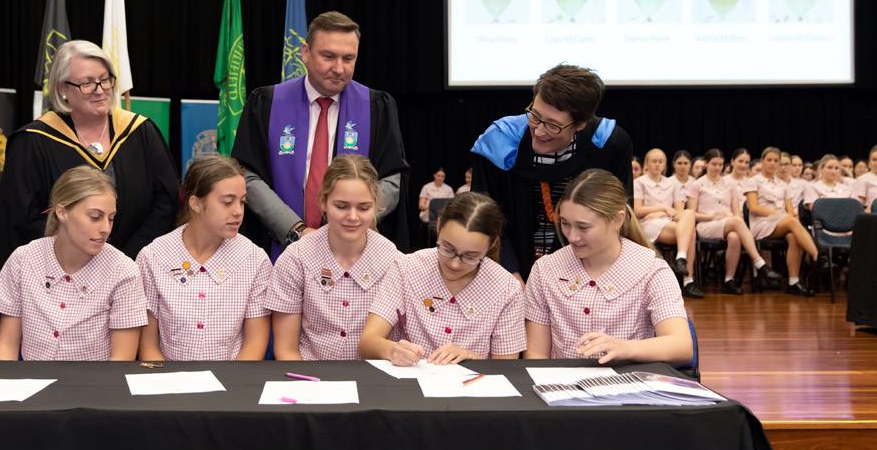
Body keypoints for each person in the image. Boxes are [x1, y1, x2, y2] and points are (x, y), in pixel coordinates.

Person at [0, 40, 179, 338]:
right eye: (87, 83)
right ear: (62, 89)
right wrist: (78, 255)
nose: (100, 89)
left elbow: (166, 200)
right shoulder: (34, 141)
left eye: (105, 79)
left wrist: (126, 257)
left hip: (133, 267)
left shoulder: (140, 131)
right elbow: (22, 216)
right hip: (61, 276)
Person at [231, 11, 410, 259]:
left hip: (353, 252)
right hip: (280, 248)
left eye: (348, 58)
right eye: (329, 56)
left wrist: (346, 223)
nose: (339, 68)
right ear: (305, 53)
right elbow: (248, 176)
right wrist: (296, 230)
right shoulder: (267, 103)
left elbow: (391, 181)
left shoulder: (376, 107)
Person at [471, 64, 634, 280]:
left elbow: (616, 219)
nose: (539, 131)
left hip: (585, 269)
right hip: (506, 267)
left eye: (553, 125)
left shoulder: (608, 145)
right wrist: (509, 274)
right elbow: (482, 216)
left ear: (580, 124)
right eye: (535, 116)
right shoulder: (499, 141)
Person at [523, 169, 691, 365]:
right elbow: (536, 354)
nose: (572, 236)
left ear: (617, 220)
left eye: (583, 227)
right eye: (565, 223)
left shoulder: (652, 270)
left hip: (629, 382)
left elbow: (681, 346)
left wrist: (625, 348)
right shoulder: (545, 269)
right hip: (561, 383)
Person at [0, 166, 148, 361]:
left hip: (97, 381)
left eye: (111, 219)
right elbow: (7, 345)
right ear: (62, 212)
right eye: (95, 217)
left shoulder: (124, 271)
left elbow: (121, 360)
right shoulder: (23, 259)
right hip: (32, 378)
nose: (106, 228)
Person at [359, 192, 525, 365]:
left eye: (470, 257)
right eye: (447, 249)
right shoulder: (406, 268)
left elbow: (506, 367)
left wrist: (471, 357)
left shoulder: (507, 289)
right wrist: (392, 350)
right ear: (438, 225)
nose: (455, 264)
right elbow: (367, 344)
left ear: (491, 245)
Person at [266, 155, 403, 360]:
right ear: (323, 202)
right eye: (341, 206)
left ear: (376, 205)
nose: (353, 217)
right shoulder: (296, 259)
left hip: (374, 377)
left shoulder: (394, 261)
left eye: (363, 207)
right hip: (309, 375)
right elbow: (286, 350)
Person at [136, 157, 271, 361]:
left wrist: (231, 381)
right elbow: (148, 346)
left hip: (233, 378)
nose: (238, 211)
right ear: (196, 204)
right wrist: (167, 380)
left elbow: (254, 344)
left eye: (242, 201)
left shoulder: (255, 260)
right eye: (227, 202)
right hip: (168, 377)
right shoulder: (153, 256)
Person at [686, 149, 782, 294]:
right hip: (706, 224)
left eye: (720, 164)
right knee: (736, 222)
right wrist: (711, 216)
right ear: (706, 164)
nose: (717, 167)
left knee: (735, 237)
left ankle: (729, 280)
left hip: (728, 223)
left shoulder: (729, 185)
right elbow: (690, 214)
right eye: (714, 164)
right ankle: (759, 262)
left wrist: (730, 217)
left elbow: (737, 212)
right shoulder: (697, 184)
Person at [743, 147, 821, 296]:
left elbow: (790, 211)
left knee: (794, 236)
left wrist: (782, 216)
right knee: (791, 222)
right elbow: (753, 208)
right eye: (769, 160)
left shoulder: (784, 185)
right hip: (762, 223)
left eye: (776, 161)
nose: (773, 163)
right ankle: (817, 256)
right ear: (762, 161)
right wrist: (778, 214)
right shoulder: (753, 181)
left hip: (781, 222)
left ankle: (793, 282)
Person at [633, 149, 700, 298]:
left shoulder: (671, 183)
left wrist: (664, 213)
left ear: (665, 164)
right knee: (690, 232)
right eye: (654, 161)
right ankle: (688, 279)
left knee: (689, 214)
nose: (657, 164)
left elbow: (679, 212)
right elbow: (637, 211)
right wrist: (662, 208)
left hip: (668, 222)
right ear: (647, 163)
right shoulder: (639, 182)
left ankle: (681, 257)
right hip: (648, 223)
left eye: (660, 161)